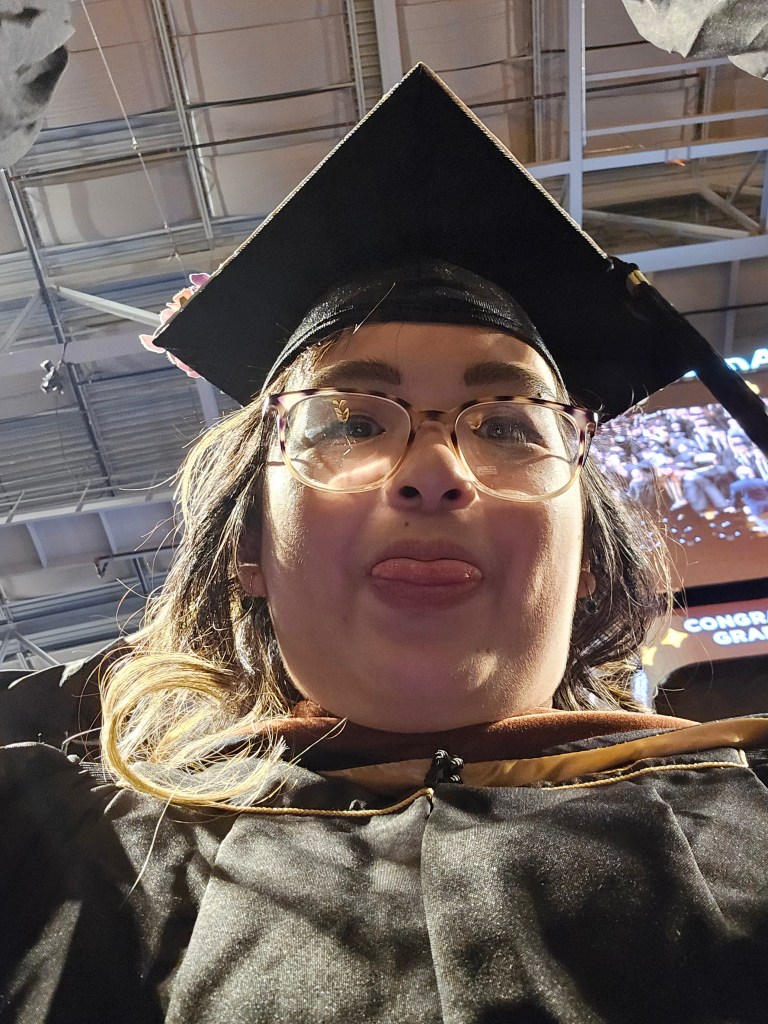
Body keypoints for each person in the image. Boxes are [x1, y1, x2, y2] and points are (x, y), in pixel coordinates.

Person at [4, 63, 768, 1024]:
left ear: (585, 564)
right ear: (248, 544)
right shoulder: (54, 863)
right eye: (350, 424)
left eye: (509, 426)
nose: (435, 469)